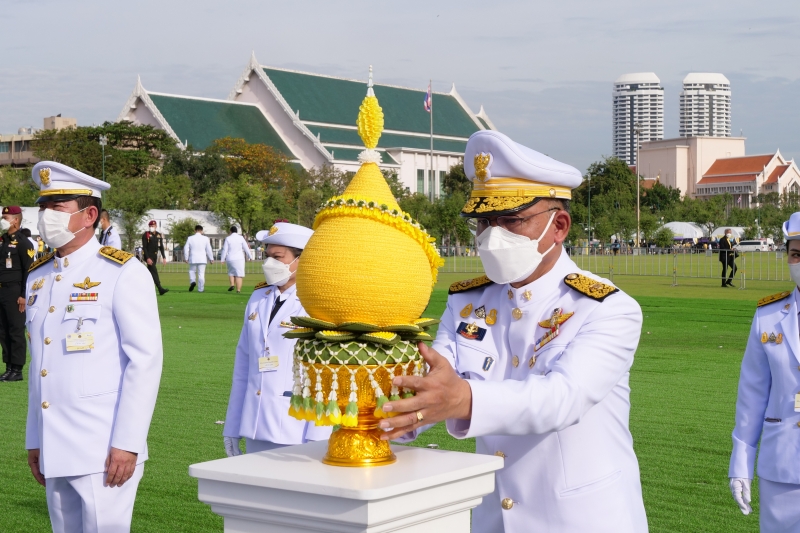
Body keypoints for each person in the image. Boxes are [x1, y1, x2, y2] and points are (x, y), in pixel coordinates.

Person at [378, 131, 648, 532]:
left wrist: (461, 399)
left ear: (558, 226)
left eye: (510, 220)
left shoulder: (605, 308)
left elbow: (561, 398)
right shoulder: (466, 303)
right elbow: (440, 382)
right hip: (494, 518)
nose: (491, 235)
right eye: (483, 222)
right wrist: (398, 414)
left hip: (582, 519)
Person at [25, 161, 163, 533]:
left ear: (89, 215)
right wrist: (35, 438)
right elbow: (41, 367)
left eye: (56, 208)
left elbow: (144, 362)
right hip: (54, 444)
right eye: (42, 208)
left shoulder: (121, 271)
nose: (44, 217)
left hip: (103, 448)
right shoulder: (37, 278)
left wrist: (128, 443)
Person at [223, 222, 331, 455]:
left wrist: (319, 435)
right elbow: (244, 365)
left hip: (297, 428)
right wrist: (232, 426)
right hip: (255, 422)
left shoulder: (318, 303)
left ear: (302, 259)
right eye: (267, 256)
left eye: (278, 257)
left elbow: (325, 373)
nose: (269, 263)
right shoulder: (259, 297)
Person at [729, 212, 800, 532]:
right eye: (796, 254)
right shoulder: (769, 316)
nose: (799, 261)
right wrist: (740, 463)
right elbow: (752, 397)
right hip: (782, 465)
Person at [0, 206, 34, 382]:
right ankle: (8, 367)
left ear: (15, 220)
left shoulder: (23, 242)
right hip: (2, 290)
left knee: (15, 330)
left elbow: (29, 270)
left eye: (5, 217)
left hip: (15, 291)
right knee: (3, 330)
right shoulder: (3, 239)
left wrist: (23, 295)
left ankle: (17, 369)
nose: (2, 219)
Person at [220, 226, 253, 293]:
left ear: (230, 231)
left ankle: (232, 284)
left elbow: (225, 250)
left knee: (231, 273)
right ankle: (238, 290)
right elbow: (246, 248)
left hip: (230, 258)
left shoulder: (228, 238)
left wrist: (222, 259)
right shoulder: (241, 238)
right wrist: (250, 256)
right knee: (239, 275)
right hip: (239, 258)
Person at [141, 220, 168, 295]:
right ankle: (160, 288)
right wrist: (147, 258)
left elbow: (161, 247)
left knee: (150, 273)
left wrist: (164, 257)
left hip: (155, 255)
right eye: (150, 226)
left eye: (153, 226)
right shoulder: (146, 235)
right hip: (149, 255)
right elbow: (145, 247)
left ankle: (145, 288)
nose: (151, 227)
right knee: (154, 271)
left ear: (156, 226)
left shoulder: (159, 235)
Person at [184, 225, 213, 293]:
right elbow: (209, 249)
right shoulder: (205, 238)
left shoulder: (190, 238)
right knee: (201, 274)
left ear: (195, 230)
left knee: (192, 271)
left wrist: (186, 258)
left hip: (193, 258)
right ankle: (200, 289)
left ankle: (193, 281)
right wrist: (211, 258)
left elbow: (186, 248)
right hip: (202, 258)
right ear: (202, 231)